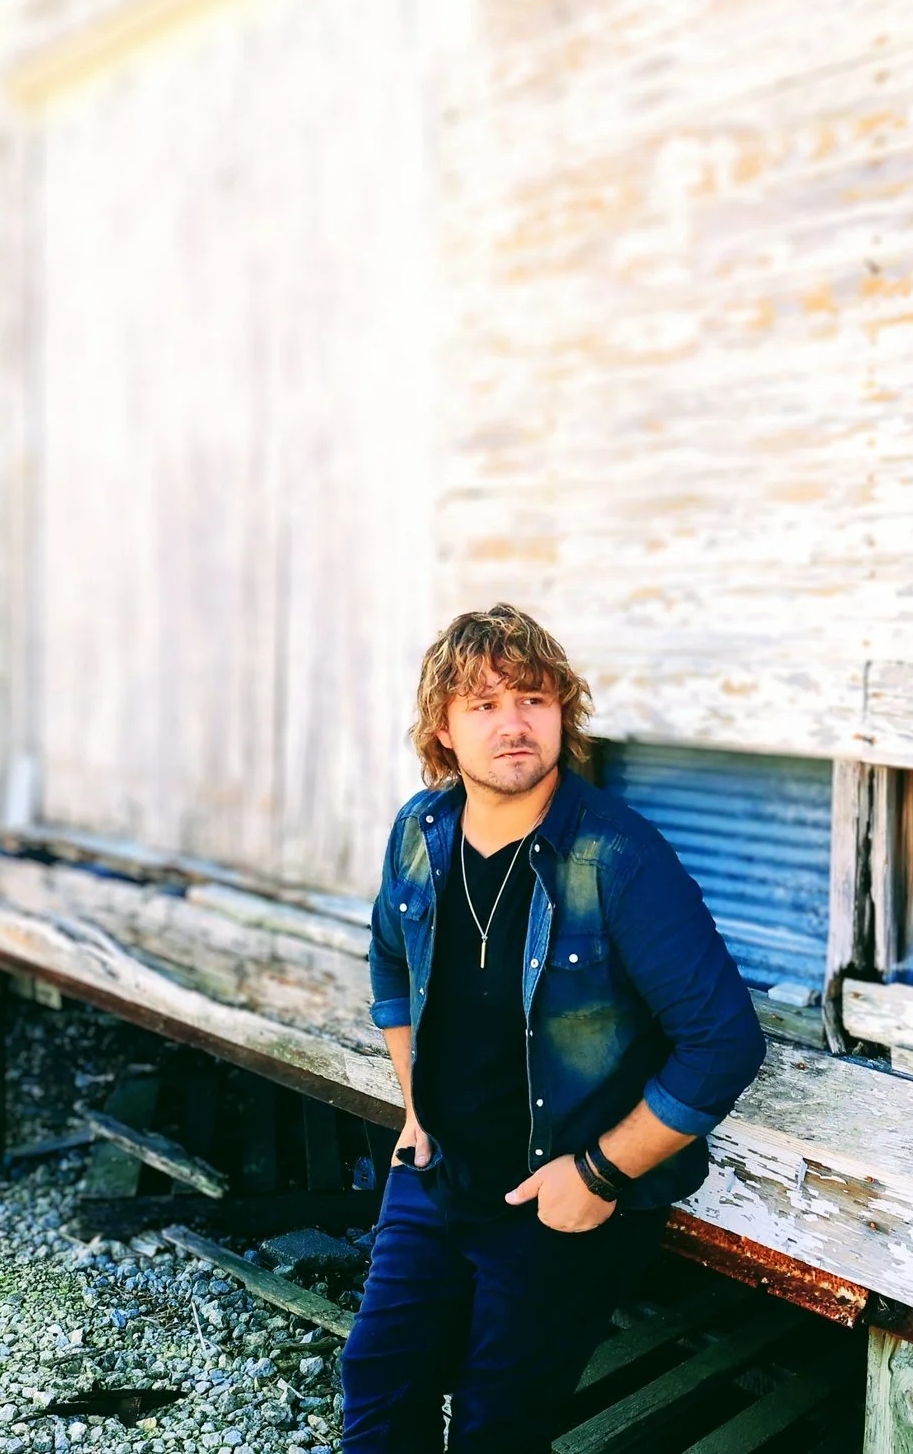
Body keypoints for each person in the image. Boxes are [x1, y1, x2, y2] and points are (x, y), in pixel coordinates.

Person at [343, 604, 768, 1451]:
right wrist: (416, 1107)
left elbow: (723, 1041)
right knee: (379, 1386)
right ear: (443, 728)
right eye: (485, 704)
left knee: (497, 1425)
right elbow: (390, 964)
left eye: (533, 699)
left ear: (561, 713)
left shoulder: (617, 856)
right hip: (435, 1172)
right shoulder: (419, 832)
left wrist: (600, 1173)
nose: (514, 723)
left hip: (556, 1198)